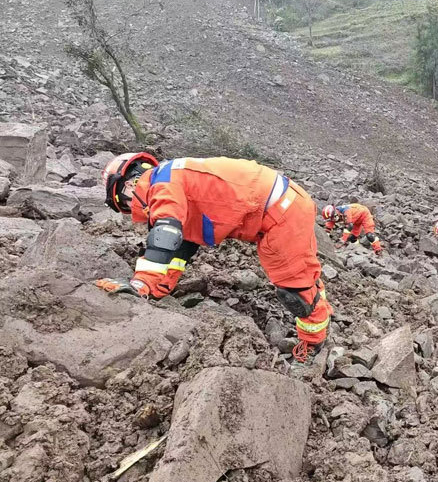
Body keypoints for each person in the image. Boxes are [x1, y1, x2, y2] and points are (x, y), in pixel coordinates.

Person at [96, 153, 332, 362]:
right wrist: (153, 288)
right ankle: (316, 301)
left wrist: (138, 283)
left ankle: (311, 345)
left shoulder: (161, 183)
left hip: (282, 211)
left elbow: (166, 233)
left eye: (124, 206)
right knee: (302, 278)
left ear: (127, 186)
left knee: (295, 289)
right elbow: (180, 248)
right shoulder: (173, 179)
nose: (130, 211)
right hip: (277, 207)